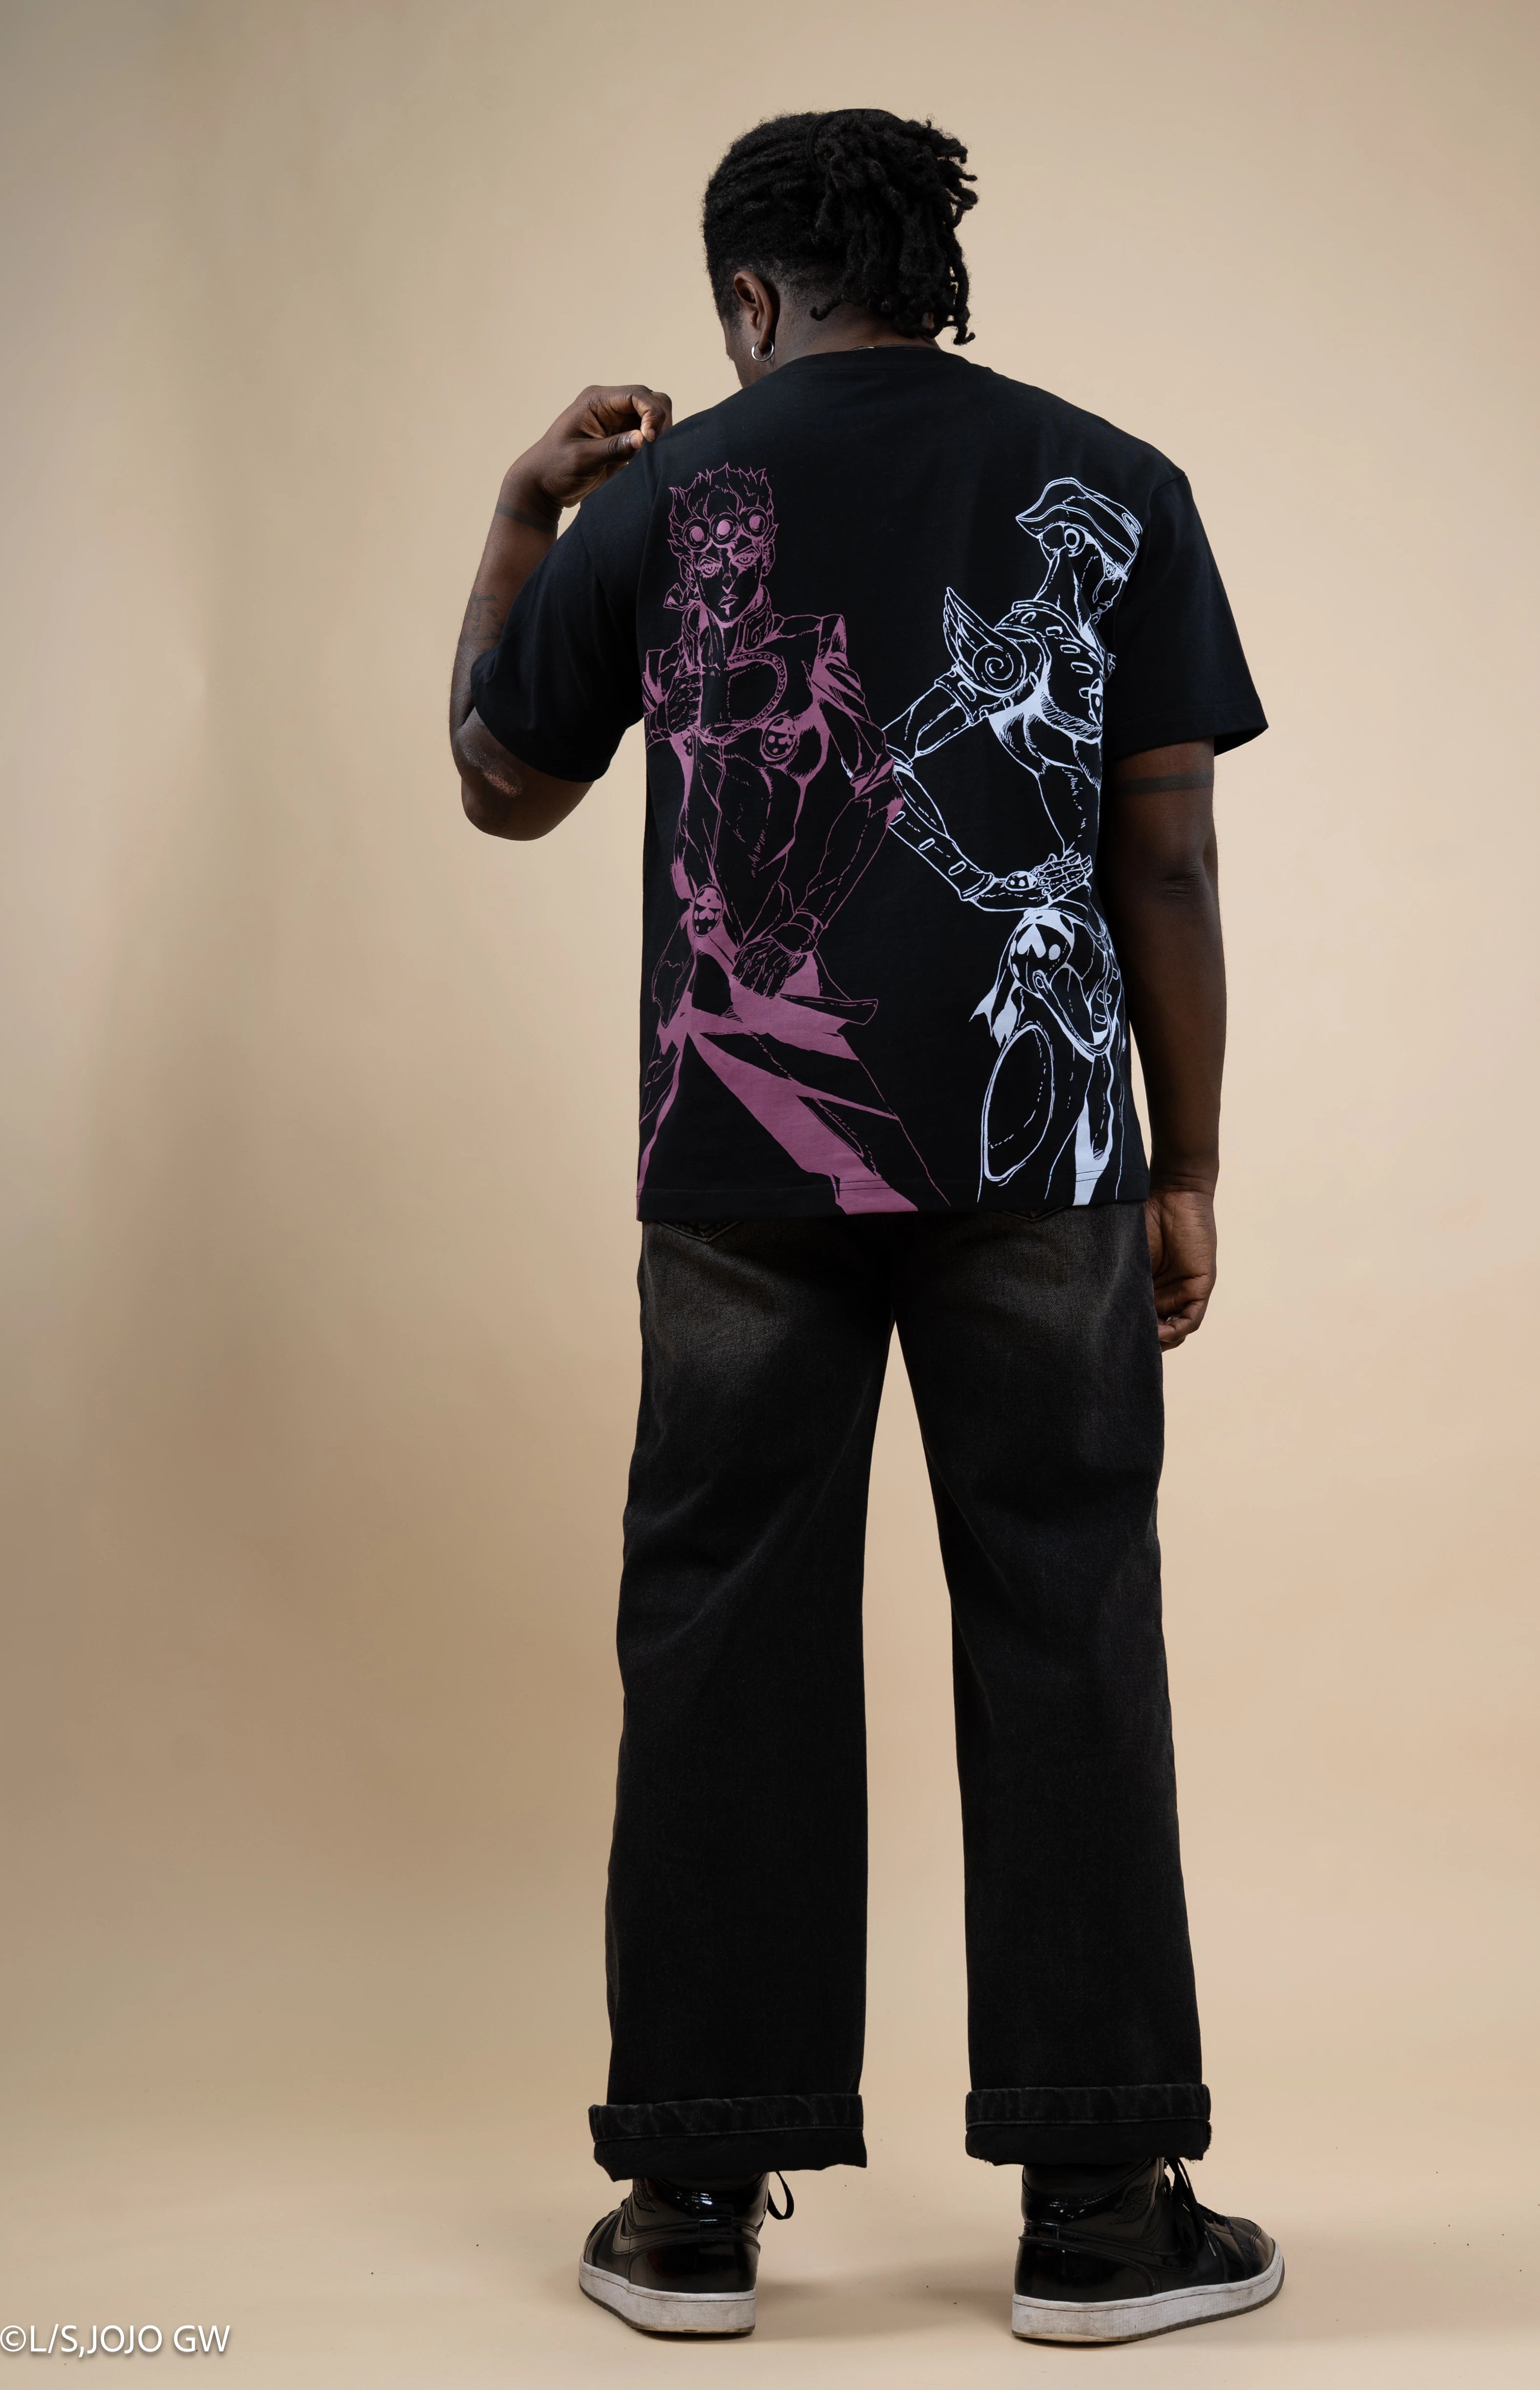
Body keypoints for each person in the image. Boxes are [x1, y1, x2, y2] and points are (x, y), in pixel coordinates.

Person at [448, 107, 1280, 2347]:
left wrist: (523, 514)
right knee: (1066, 1615)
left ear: (747, 297)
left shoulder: (664, 497)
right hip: (1041, 1162)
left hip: (744, 1171)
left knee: (723, 1627)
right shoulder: (1119, 480)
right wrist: (1185, 1162)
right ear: (935, 274)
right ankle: (1101, 2206)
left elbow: (499, 780)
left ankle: (687, 2204)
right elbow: (1167, 860)